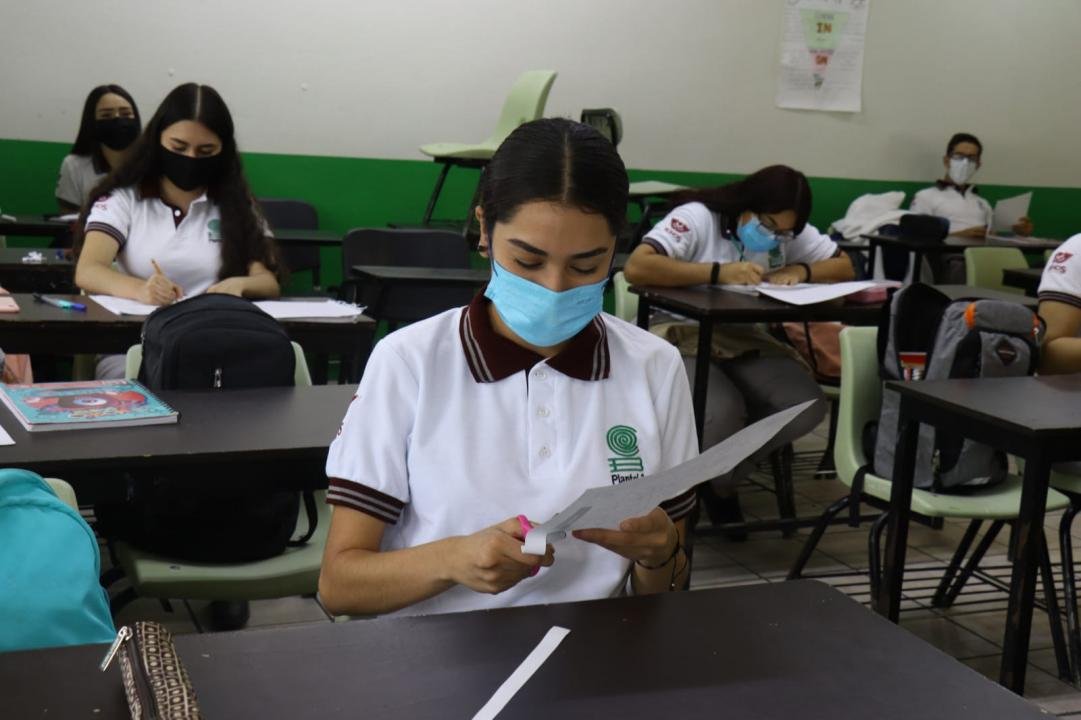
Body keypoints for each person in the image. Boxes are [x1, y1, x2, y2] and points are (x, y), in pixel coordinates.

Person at [319, 118, 698, 617]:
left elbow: (666, 596)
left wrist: (660, 554)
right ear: (484, 229)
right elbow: (339, 585)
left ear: (615, 249)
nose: (554, 287)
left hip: (593, 647)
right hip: (436, 651)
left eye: (586, 266)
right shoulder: (410, 362)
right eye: (527, 262)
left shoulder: (655, 367)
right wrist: (452, 561)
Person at [623, 165, 852, 532]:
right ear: (747, 205)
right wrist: (717, 273)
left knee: (805, 405)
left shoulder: (787, 233)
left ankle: (720, 480)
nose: (774, 237)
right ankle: (702, 490)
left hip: (738, 336)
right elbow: (638, 267)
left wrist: (802, 271)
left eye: (784, 232)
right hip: (676, 331)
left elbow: (844, 266)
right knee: (721, 411)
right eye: (768, 225)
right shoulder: (699, 218)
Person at [73, 83, 282, 378]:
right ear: (157, 141)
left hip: (217, 345)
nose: (191, 158)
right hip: (136, 343)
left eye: (205, 151)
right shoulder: (124, 198)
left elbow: (267, 281)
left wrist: (240, 285)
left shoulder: (237, 204)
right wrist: (141, 290)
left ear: (223, 151)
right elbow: (89, 270)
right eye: (179, 148)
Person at [910, 132, 1034, 238]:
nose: (965, 163)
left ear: (977, 165)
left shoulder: (982, 203)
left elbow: (992, 238)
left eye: (971, 158)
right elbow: (915, 237)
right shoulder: (925, 196)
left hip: (980, 254)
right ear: (946, 161)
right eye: (959, 156)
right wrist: (960, 236)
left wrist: (1019, 233)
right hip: (945, 256)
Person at [56, 85, 142, 213]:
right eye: (106, 115)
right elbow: (69, 217)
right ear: (92, 122)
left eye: (126, 113)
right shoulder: (74, 165)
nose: (118, 120)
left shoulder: (152, 162)